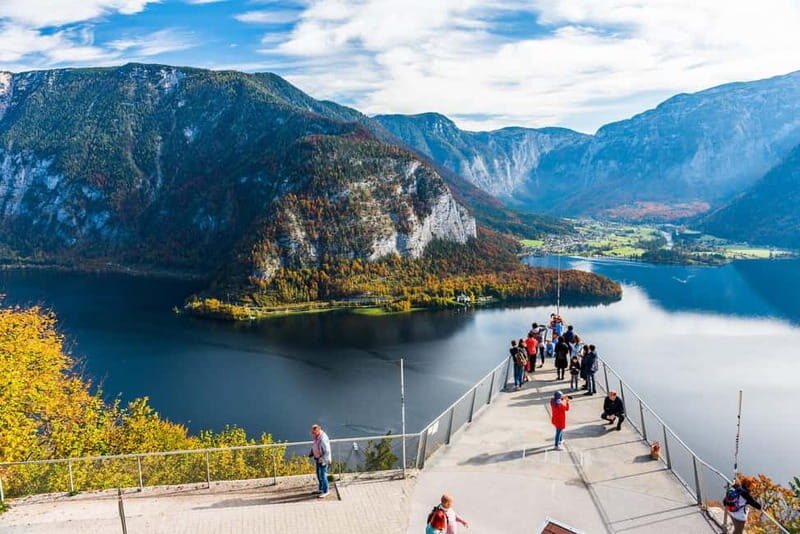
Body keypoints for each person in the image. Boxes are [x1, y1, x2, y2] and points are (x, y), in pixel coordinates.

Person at [309, 424, 332, 497]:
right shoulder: (317, 437)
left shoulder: (323, 438)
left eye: (314, 432)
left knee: (323, 475)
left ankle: (326, 491)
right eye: (312, 432)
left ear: (318, 430)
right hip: (318, 458)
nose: (312, 434)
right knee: (319, 475)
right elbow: (315, 445)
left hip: (323, 460)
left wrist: (322, 459)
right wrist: (312, 452)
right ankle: (321, 489)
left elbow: (327, 451)